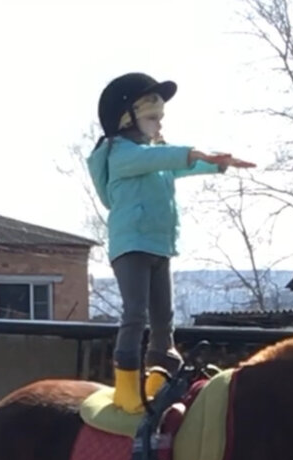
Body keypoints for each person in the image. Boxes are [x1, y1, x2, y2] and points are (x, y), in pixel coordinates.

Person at [87, 72, 255, 412]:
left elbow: (176, 166)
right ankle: (126, 385)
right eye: (152, 118)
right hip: (132, 244)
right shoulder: (122, 154)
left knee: (164, 316)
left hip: (158, 245)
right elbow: (165, 159)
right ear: (127, 118)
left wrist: (214, 162)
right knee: (136, 313)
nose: (159, 125)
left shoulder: (154, 156)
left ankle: (161, 374)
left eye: (160, 118)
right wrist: (194, 152)